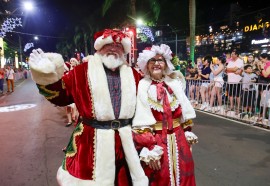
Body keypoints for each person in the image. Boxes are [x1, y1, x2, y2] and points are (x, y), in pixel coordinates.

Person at [29, 29, 148, 186]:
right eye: (108, 45)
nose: (113, 48)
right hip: (90, 141)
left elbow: (148, 104)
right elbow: (60, 95)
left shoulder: (134, 75)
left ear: (124, 51)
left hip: (127, 142)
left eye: (118, 46)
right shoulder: (81, 72)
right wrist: (46, 75)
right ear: (99, 48)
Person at [132, 44, 197, 186]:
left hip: (179, 140)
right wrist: (149, 148)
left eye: (160, 60)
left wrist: (187, 135)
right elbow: (141, 119)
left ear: (166, 63)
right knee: (160, 178)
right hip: (157, 142)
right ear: (146, 65)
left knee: (185, 175)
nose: (156, 64)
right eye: (152, 61)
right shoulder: (143, 85)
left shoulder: (174, 83)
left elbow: (184, 113)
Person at [225, 49, 244, 113]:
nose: (231, 55)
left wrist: (230, 69)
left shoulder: (240, 61)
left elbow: (235, 69)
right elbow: (226, 69)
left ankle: (238, 108)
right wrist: (232, 70)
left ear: (236, 55)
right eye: (231, 54)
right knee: (230, 95)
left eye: (233, 54)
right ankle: (231, 107)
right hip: (230, 80)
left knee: (237, 95)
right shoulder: (231, 61)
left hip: (237, 81)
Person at [64, 58, 79, 127]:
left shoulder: (78, 70)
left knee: (76, 106)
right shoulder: (68, 70)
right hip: (68, 90)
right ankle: (69, 121)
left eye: (73, 61)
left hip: (76, 90)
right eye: (71, 61)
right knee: (68, 107)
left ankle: (76, 120)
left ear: (76, 62)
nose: (72, 62)